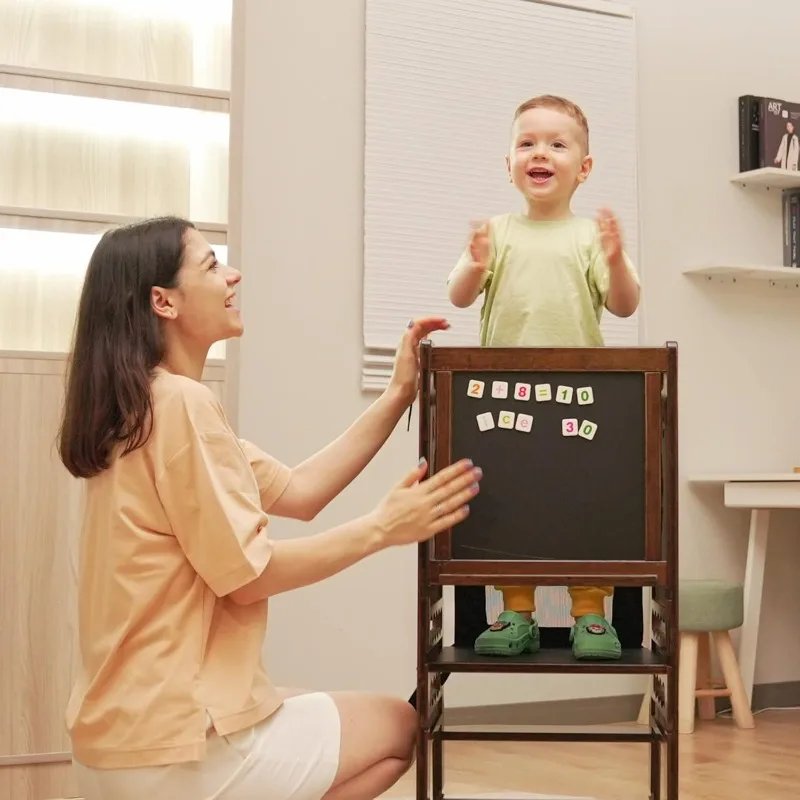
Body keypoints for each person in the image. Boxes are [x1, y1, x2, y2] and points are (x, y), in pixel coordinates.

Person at [57, 216, 483, 800]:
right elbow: (248, 579)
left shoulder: (136, 407)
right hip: (174, 750)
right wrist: (384, 527)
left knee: (293, 698)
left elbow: (302, 491)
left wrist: (397, 393)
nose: (233, 275)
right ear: (163, 301)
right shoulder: (182, 406)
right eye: (211, 266)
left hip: (114, 741)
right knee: (399, 727)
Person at [446, 94, 640, 661]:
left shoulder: (587, 237)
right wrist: (476, 262)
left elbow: (625, 306)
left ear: (584, 168)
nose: (541, 153)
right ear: (508, 162)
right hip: (504, 399)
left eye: (557, 144)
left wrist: (618, 256)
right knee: (511, 504)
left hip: (580, 398)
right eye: (527, 142)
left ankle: (590, 613)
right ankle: (516, 612)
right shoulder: (500, 232)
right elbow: (458, 295)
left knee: (583, 501)